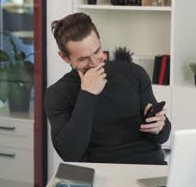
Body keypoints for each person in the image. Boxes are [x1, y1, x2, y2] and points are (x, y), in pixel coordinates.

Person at [45, 12, 171, 164]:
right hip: (101, 174)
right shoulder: (58, 94)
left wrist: (159, 127)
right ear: (65, 57)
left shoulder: (133, 73)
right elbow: (69, 153)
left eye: (97, 51)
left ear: (100, 42)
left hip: (150, 169)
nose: (94, 63)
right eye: (83, 59)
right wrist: (87, 94)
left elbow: (161, 137)